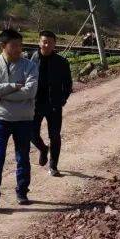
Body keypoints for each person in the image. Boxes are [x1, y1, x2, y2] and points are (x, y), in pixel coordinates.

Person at [0, 28, 38, 209]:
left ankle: (22, 191)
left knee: (23, 156)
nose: (18, 49)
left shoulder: (30, 66)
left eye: (20, 45)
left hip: (23, 118)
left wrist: (2, 94)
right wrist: (13, 86)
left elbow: (30, 91)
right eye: (14, 45)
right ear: (3, 46)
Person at [31, 30, 73, 176]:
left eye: (50, 42)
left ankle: (53, 165)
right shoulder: (30, 60)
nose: (47, 45)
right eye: (44, 41)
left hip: (54, 104)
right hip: (34, 104)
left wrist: (62, 99)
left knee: (54, 135)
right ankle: (43, 149)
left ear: (54, 44)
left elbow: (68, 84)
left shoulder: (62, 62)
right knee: (31, 133)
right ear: (39, 42)